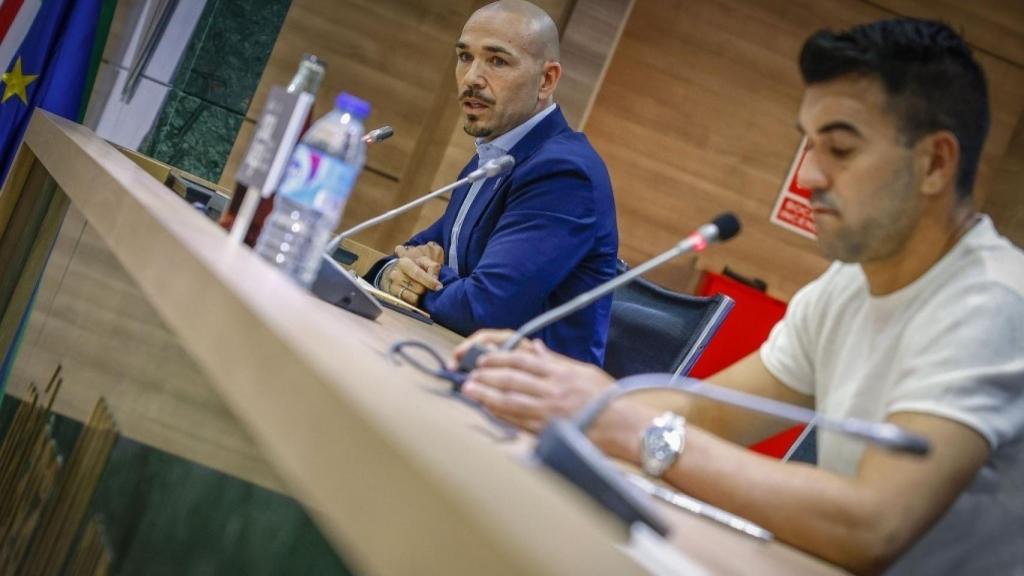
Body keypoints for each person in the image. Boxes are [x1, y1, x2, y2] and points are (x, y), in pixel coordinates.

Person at [454, 18, 1024, 575]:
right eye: (810, 147)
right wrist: (557, 394)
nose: (808, 179)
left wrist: (630, 428)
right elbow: (709, 415)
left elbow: (873, 525)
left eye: (842, 150)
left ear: (935, 163)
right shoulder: (850, 284)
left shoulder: (993, 301)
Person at [367, 0, 618, 365]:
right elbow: (417, 250)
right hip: (459, 360)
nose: (471, 78)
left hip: (525, 401)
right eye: (465, 57)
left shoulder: (563, 174)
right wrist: (393, 270)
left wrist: (419, 286)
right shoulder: (497, 154)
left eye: (497, 61)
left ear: (546, 80)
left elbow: (483, 308)